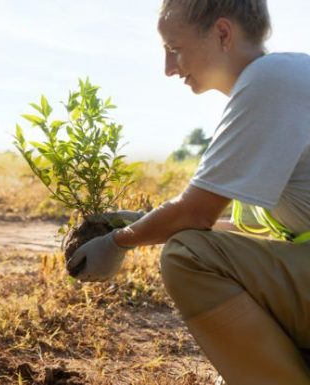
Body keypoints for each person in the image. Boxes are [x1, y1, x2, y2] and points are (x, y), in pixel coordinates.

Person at [66, 1, 310, 384]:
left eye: (174, 49)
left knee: (188, 255)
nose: (169, 69)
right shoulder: (283, 78)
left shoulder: (270, 80)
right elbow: (259, 236)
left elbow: (196, 214)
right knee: (194, 241)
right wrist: (146, 224)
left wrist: (117, 242)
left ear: (223, 34)